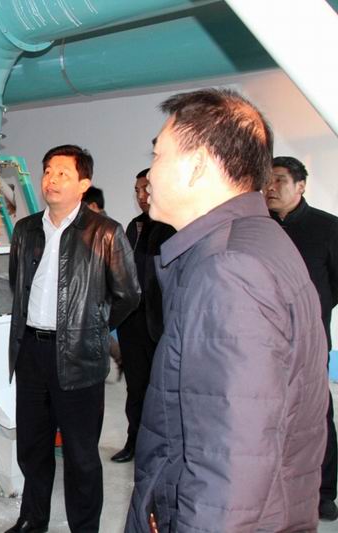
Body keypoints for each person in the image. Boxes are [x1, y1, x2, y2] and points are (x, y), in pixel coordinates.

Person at [126, 88, 328, 532]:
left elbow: (230, 463)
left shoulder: (229, 268)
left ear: (198, 165)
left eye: (158, 156)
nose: (149, 175)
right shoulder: (254, 238)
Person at [7, 145, 140, 532]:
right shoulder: (26, 230)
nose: (51, 179)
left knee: (81, 456)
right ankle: (33, 520)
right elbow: (19, 283)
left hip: (79, 358)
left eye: (63, 173)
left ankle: (85, 528)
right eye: (48, 171)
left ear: (84, 183)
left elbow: (128, 294)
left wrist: (92, 329)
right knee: (32, 448)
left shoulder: (105, 232)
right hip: (31, 353)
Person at [264, 155, 338, 521]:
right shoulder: (258, 227)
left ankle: (323, 491)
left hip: (309, 341)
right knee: (267, 415)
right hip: (263, 341)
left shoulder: (328, 227)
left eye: (279, 180)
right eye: (267, 180)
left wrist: (312, 312)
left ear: (301, 186)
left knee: (315, 415)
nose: (271, 187)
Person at [111, 169, 175, 463]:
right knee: (135, 388)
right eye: (137, 190)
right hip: (133, 323)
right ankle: (133, 442)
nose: (141, 196)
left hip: (163, 325)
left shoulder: (175, 225)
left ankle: (161, 450)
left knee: (162, 391)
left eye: (145, 189)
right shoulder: (135, 226)